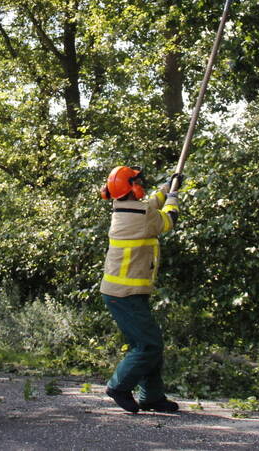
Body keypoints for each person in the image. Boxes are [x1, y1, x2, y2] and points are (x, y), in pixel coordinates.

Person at [99, 166, 181, 414]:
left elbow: (151, 203)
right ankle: (119, 387)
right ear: (133, 187)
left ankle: (152, 397)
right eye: (137, 181)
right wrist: (174, 197)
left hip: (124, 291)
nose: (142, 185)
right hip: (125, 294)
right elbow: (168, 220)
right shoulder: (142, 214)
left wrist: (168, 187)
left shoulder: (125, 209)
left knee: (146, 343)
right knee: (150, 346)